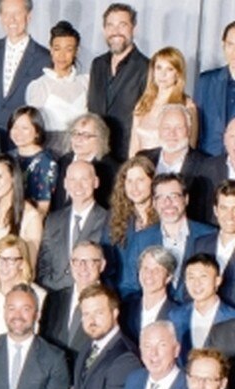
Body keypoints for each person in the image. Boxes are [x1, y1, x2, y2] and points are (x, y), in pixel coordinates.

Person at [124, 174, 216, 300]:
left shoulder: (210, 235)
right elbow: (128, 286)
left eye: (174, 196)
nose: (168, 203)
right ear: (154, 203)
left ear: (186, 199)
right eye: (161, 197)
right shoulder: (141, 239)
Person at [0, 0, 51, 134]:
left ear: (29, 16)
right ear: (0, 16)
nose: (12, 19)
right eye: (6, 14)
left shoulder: (45, 58)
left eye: (17, 13)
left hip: (24, 140)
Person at [87, 3, 150, 161]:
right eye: (110, 25)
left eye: (122, 25)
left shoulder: (147, 67)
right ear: (104, 30)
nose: (115, 32)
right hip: (96, 156)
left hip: (127, 157)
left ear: (133, 28)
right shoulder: (97, 64)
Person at [35, 160, 108, 292]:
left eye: (84, 179)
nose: (78, 186)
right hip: (55, 296)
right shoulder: (53, 220)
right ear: (65, 184)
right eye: (72, 180)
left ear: (96, 182)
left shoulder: (109, 220)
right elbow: (43, 265)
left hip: (93, 296)